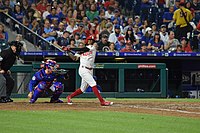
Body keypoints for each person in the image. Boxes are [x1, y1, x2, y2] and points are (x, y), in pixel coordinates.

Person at [62, 35, 113, 106]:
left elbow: (84, 49)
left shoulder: (92, 48)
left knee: (82, 89)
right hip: (83, 69)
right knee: (93, 84)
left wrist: (70, 48)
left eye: (92, 40)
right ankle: (102, 101)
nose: (90, 41)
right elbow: (74, 58)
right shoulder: (80, 51)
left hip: (90, 70)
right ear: (87, 41)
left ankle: (69, 96)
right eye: (89, 40)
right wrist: (68, 52)